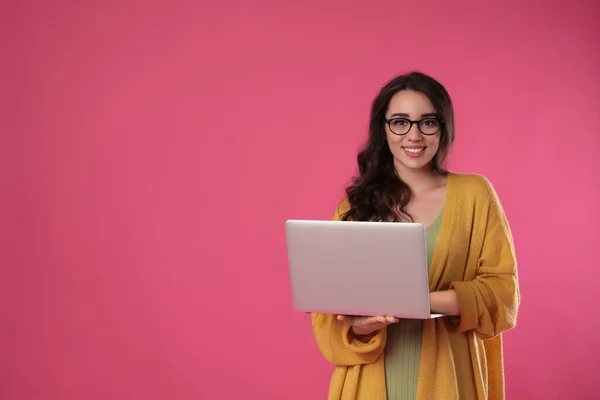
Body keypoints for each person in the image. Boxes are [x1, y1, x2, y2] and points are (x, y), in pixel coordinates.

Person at [311, 71, 520, 400]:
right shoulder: (355, 206)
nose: (414, 135)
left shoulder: (475, 194)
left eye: (427, 122)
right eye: (400, 122)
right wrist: (360, 325)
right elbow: (329, 317)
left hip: (450, 377)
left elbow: (502, 293)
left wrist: (419, 302)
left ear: (443, 127)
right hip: (370, 381)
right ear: (384, 128)